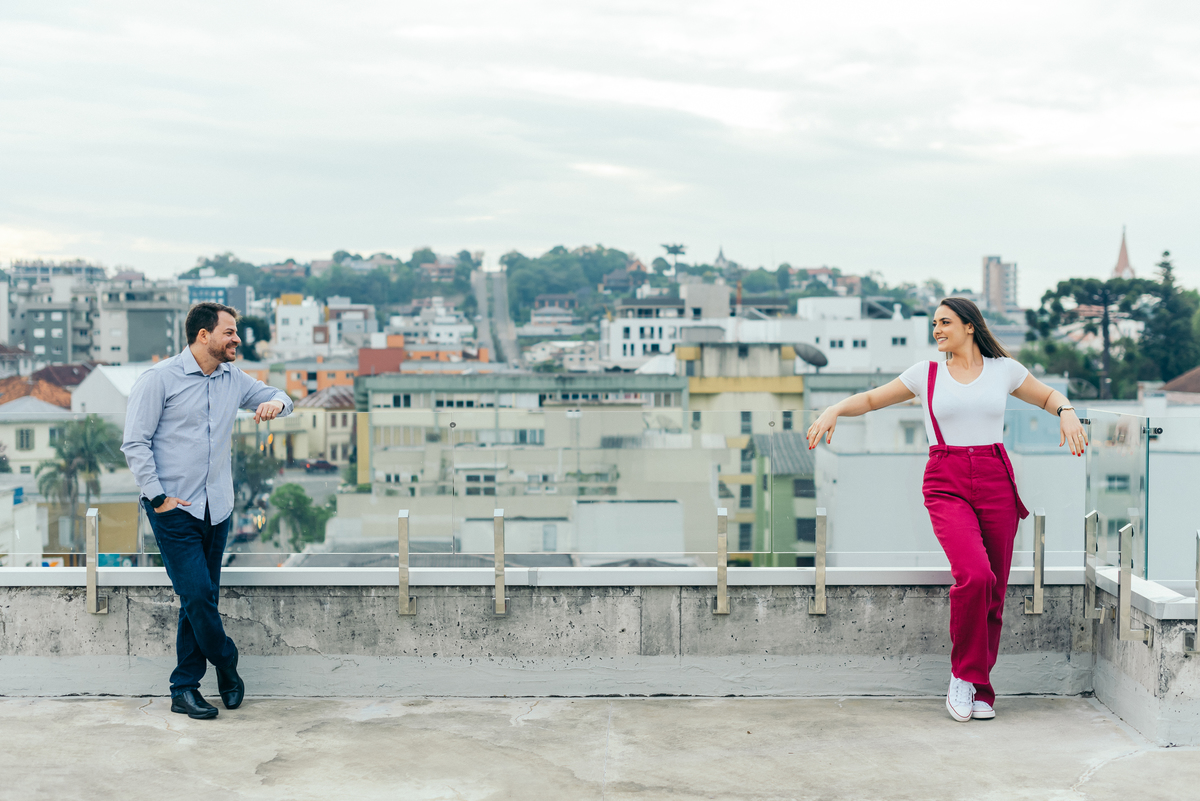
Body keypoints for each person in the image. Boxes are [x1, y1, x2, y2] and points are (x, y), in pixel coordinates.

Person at [805, 297, 1087, 722]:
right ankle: (962, 675)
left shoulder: (1003, 371)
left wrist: (1067, 412)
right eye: (933, 323)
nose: (936, 330)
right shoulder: (926, 373)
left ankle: (982, 688)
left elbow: (1048, 396)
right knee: (975, 576)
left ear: (970, 326)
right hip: (946, 478)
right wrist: (835, 408)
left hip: (996, 476)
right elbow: (871, 400)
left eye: (944, 322)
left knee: (994, 591)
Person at [121, 302, 293, 719]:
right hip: (173, 508)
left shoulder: (232, 378)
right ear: (204, 336)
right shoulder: (159, 379)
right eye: (230, 332)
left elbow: (280, 397)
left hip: (218, 507)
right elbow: (135, 443)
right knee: (198, 595)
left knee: (198, 599)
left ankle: (183, 688)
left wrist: (276, 405)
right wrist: (158, 497)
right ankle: (227, 664)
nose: (237, 339)